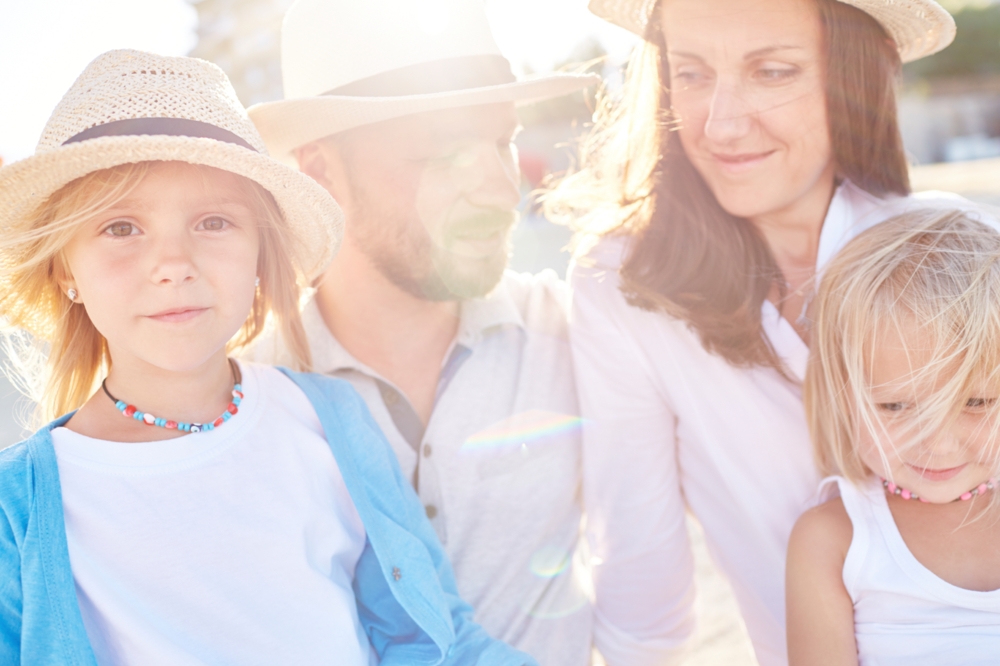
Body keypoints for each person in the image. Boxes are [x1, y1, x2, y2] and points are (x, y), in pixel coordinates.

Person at [0, 50, 535, 666]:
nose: (173, 264)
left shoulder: (329, 419)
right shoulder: (23, 506)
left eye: (213, 221)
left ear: (260, 252)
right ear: (65, 268)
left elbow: (439, 639)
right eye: (121, 227)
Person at [545, 0, 960, 663]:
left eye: (771, 71)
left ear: (851, 78)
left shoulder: (963, 252)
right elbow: (640, 581)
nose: (721, 122)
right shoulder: (623, 285)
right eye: (693, 73)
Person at [245, 1, 600, 664]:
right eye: (443, 154)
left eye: (502, 142)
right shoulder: (249, 400)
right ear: (320, 174)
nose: (500, 190)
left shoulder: (579, 334)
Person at [788, 209, 1000, 665]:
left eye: (976, 402)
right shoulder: (834, 542)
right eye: (896, 406)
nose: (939, 444)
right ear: (841, 398)